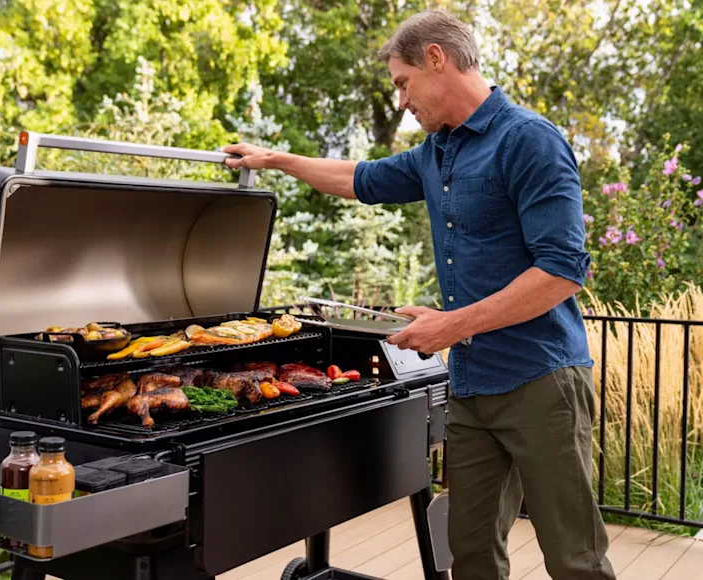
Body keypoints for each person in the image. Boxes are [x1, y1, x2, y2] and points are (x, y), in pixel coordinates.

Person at [222, 9, 616, 580]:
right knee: (471, 554)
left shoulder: (529, 141)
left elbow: (561, 271)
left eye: (403, 83)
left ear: (436, 57)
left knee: (575, 558)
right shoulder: (438, 153)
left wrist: (452, 325)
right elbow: (358, 179)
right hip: (474, 385)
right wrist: (275, 160)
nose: (401, 101)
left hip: (543, 383)